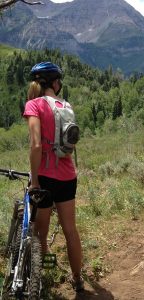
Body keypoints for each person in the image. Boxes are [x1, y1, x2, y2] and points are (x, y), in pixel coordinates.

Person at [23, 62, 84, 292]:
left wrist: (35, 181)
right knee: (70, 230)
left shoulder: (34, 105)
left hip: (46, 177)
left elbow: (36, 144)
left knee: (41, 233)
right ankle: (77, 279)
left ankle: (41, 279)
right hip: (68, 177)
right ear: (54, 83)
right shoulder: (65, 105)